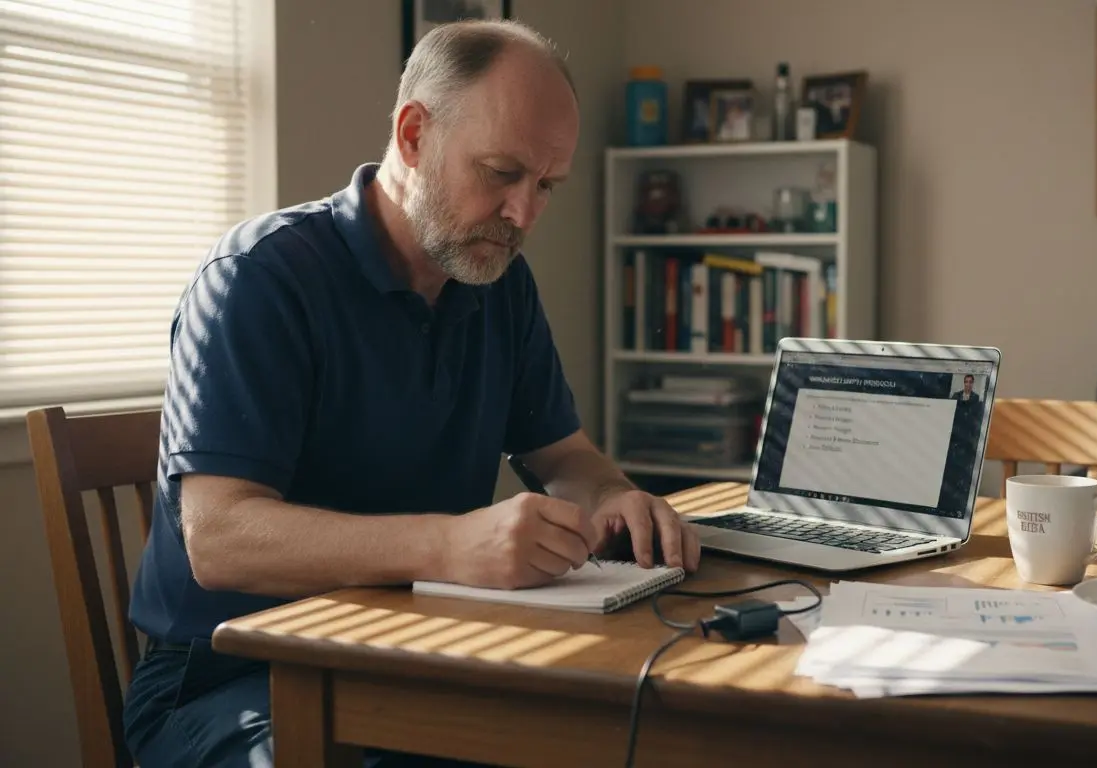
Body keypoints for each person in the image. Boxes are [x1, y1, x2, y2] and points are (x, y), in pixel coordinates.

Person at [122, 19, 701, 767]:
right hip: (230, 679)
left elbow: (565, 458)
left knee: (626, 732)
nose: (525, 215)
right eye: (501, 172)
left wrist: (615, 495)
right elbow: (219, 538)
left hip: (416, 647)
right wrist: (451, 546)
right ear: (413, 134)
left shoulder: (498, 283)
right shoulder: (258, 279)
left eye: (546, 186)